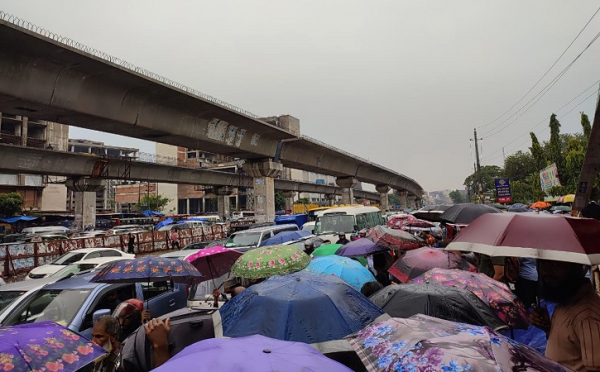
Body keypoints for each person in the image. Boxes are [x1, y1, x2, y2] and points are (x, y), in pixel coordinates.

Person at [530, 260, 600, 372]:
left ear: (577, 267)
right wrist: (548, 328)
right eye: (542, 263)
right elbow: (570, 344)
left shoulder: (587, 316)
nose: (545, 270)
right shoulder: (566, 297)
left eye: (555, 264)